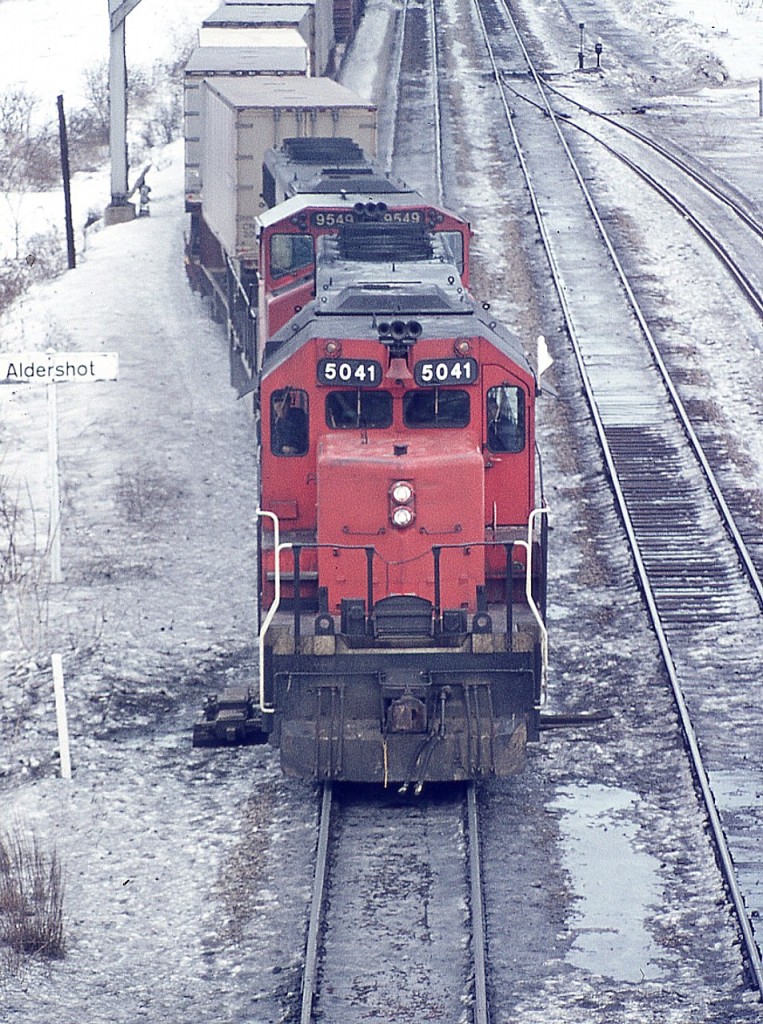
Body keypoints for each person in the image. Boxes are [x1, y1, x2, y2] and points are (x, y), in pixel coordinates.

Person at [272, 389, 308, 455]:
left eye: (284, 401)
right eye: (276, 401)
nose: (281, 405)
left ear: (289, 403)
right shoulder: (269, 422)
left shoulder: (299, 417)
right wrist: (281, 448)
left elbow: (306, 438)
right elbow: (266, 444)